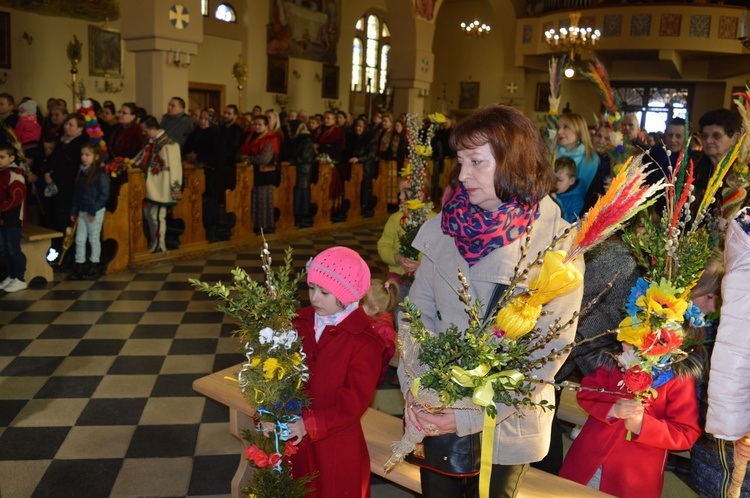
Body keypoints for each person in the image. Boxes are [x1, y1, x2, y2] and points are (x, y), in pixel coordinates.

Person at [398, 105, 584, 498]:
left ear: (513, 163)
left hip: (503, 425)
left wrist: (464, 415)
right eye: (460, 161)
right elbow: (415, 317)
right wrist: (417, 389)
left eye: (476, 162)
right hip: (434, 410)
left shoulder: (554, 243)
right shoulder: (445, 227)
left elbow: (548, 351)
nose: (462, 175)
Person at [287, 246, 385, 498]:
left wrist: (310, 424)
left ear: (348, 295)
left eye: (324, 292)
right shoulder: (299, 322)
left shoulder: (365, 342)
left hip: (335, 442)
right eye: (311, 288)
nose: (314, 298)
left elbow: (354, 403)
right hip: (295, 433)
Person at [137, 116, 183, 253]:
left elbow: (176, 170)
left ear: (152, 128)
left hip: (161, 188)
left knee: (157, 217)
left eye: (145, 130)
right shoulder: (150, 143)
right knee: (150, 216)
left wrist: (175, 190)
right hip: (149, 187)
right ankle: (153, 241)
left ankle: (159, 244)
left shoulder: (170, 145)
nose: (143, 133)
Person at [69, 143, 110, 279]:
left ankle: (94, 265)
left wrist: (93, 210)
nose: (84, 158)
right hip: (82, 209)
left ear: (96, 156)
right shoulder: (82, 171)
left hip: (94, 211)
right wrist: (74, 211)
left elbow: (104, 194)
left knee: (93, 238)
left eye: (87, 155)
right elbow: (77, 193)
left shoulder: (100, 173)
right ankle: (79, 265)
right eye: (82, 154)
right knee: (80, 239)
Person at [240, 115, 279, 235]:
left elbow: (265, 158)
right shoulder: (250, 136)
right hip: (251, 172)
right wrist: (244, 157)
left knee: (263, 199)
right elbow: (240, 152)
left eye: (260, 124)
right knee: (254, 198)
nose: (257, 127)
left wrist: (248, 159)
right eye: (255, 124)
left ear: (266, 126)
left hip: (265, 173)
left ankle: (265, 225)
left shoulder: (271, 139)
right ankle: (255, 224)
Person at [361, 277, 400, 386]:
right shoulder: (370, 318)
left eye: (360, 304)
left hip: (370, 375)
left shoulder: (384, 331)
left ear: (374, 310)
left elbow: (382, 358)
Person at [0, 144, 27, 293]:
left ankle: (20, 278)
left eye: (2, 157)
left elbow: (15, 199)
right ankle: (11, 275)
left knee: (13, 249)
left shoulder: (15, 174)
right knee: (3, 249)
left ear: (11, 158)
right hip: (2, 218)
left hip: (13, 219)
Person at [280, 118, 315, 228]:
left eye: (291, 130)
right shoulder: (293, 139)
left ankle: (302, 217)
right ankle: (294, 215)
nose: (289, 132)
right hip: (293, 170)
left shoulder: (306, 140)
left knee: (302, 193)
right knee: (296, 193)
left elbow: (304, 156)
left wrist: (291, 162)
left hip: (303, 170)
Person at [555, 112, 600, 196]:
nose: (559, 131)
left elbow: (584, 191)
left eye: (566, 127)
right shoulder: (552, 152)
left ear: (579, 131)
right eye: (558, 128)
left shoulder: (590, 158)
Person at [345, 117, 378, 217]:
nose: (358, 128)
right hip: (353, 168)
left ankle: (364, 207)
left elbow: (371, 154)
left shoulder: (370, 138)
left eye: (360, 126)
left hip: (366, 168)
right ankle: (353, 206)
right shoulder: (352, 137)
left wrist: (358, 159)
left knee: (364, 188)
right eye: (356, 126)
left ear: (364, 127)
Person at [551, 155, 582, 223]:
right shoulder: (549, 190)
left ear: (571, 181)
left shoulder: (577, 201)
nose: (554, 183)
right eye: (553, 178)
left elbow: (567, 222)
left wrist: (556, 201)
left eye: (559, 180)